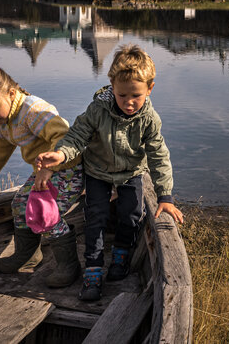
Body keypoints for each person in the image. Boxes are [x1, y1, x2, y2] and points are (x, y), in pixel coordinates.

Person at [37, 44, 183, 302]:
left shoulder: (149, 119)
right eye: (122, 94)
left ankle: (121, 254)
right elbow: (76, 137)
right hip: (97, 172)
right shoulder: (97, 111)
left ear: (150, 89)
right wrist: (60, 155)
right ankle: (93, 269)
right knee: (96, 218)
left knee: (131, 216)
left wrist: (165, 196)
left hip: (130, 173)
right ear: (112, 87)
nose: (128, 102)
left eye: (136, 96)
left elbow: (159, 156)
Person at [0, 67, 83, 287]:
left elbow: (65, 135)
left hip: (69, 168)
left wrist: (51, 167)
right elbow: (0, 149)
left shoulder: (33, 111)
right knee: (19, 204)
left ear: (10, 93)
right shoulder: (6, 119)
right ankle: (27, 255)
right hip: (45, 171)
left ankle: (69, 265)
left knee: (46, 211)